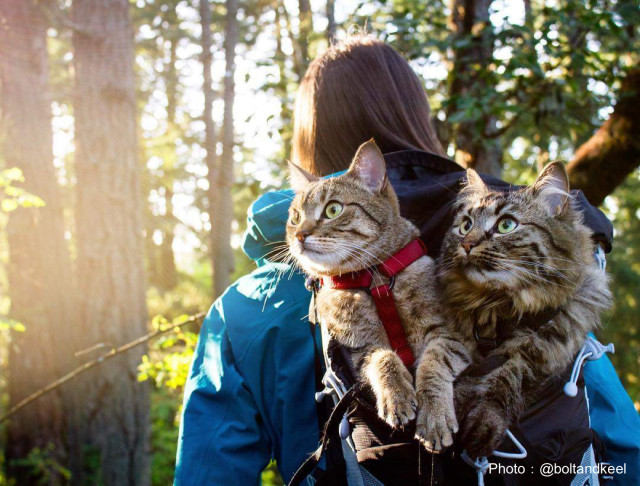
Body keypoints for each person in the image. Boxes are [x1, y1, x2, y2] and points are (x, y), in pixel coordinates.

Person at [174, 35, 640, 485]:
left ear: (307, 143)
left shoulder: (243, 310)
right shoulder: (526, 258)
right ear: (418, 120)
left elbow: (209, 470)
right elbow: (620, 443)